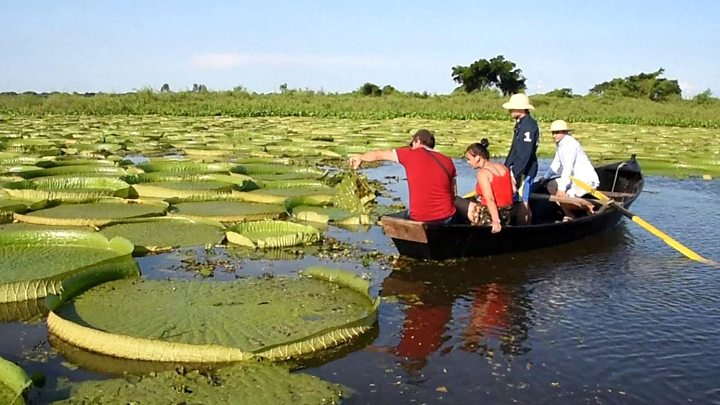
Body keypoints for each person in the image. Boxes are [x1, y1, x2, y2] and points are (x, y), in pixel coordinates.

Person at [349, 129, 457, 223]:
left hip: (419, 218)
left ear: (417, 141)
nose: (411, 147)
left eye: (412, 144)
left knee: (393, 218)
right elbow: (454, 193)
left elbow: (378, 155)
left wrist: (360, 157)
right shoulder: (448, 161)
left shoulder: (410, 154)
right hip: (447, 217)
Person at [541, 119, 600, 221]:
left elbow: (568, 167)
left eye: (557, 133)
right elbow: (556, 163)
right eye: (553, 133)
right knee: (551, 185)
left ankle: (589, 207)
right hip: (573, 179)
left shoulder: (571, 144)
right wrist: (545, 177)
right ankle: (569, 214)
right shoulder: (560, 145)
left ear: (565, 132)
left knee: (564, 195)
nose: (554, 135)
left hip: (585, 180)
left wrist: (562, 188)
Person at [458, 139, 514, 233]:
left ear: (478, 158)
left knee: (455, 199)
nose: (468, 162)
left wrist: (496, 221)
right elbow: (513, 189)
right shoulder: (503, 167)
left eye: (469, 159)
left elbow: (490, 199)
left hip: (490, 215)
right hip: (507, 213)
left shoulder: (483, 173)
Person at [502, 93, 540, 224]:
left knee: (523, 200)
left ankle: (524, 226)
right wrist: (505, 168)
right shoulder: (520, 124)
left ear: (520, 109)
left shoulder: (529, 126)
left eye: (512, 108)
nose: (510, 111)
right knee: (517, 198)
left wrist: (515, 173)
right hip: (518, 168)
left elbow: (525, 154)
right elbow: (514, 149)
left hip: (526, 170)